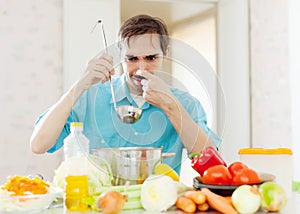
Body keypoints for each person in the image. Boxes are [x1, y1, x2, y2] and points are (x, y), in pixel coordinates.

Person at [30, 14, 221, 174]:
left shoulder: (185, 103)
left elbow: (212, 166)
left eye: (151, 58)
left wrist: (170, 106)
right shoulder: (88, 98)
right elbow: (39, 145)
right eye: (132, 59)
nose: (141, 68)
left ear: (166, 53)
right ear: (120, 55)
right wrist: (80, 86)